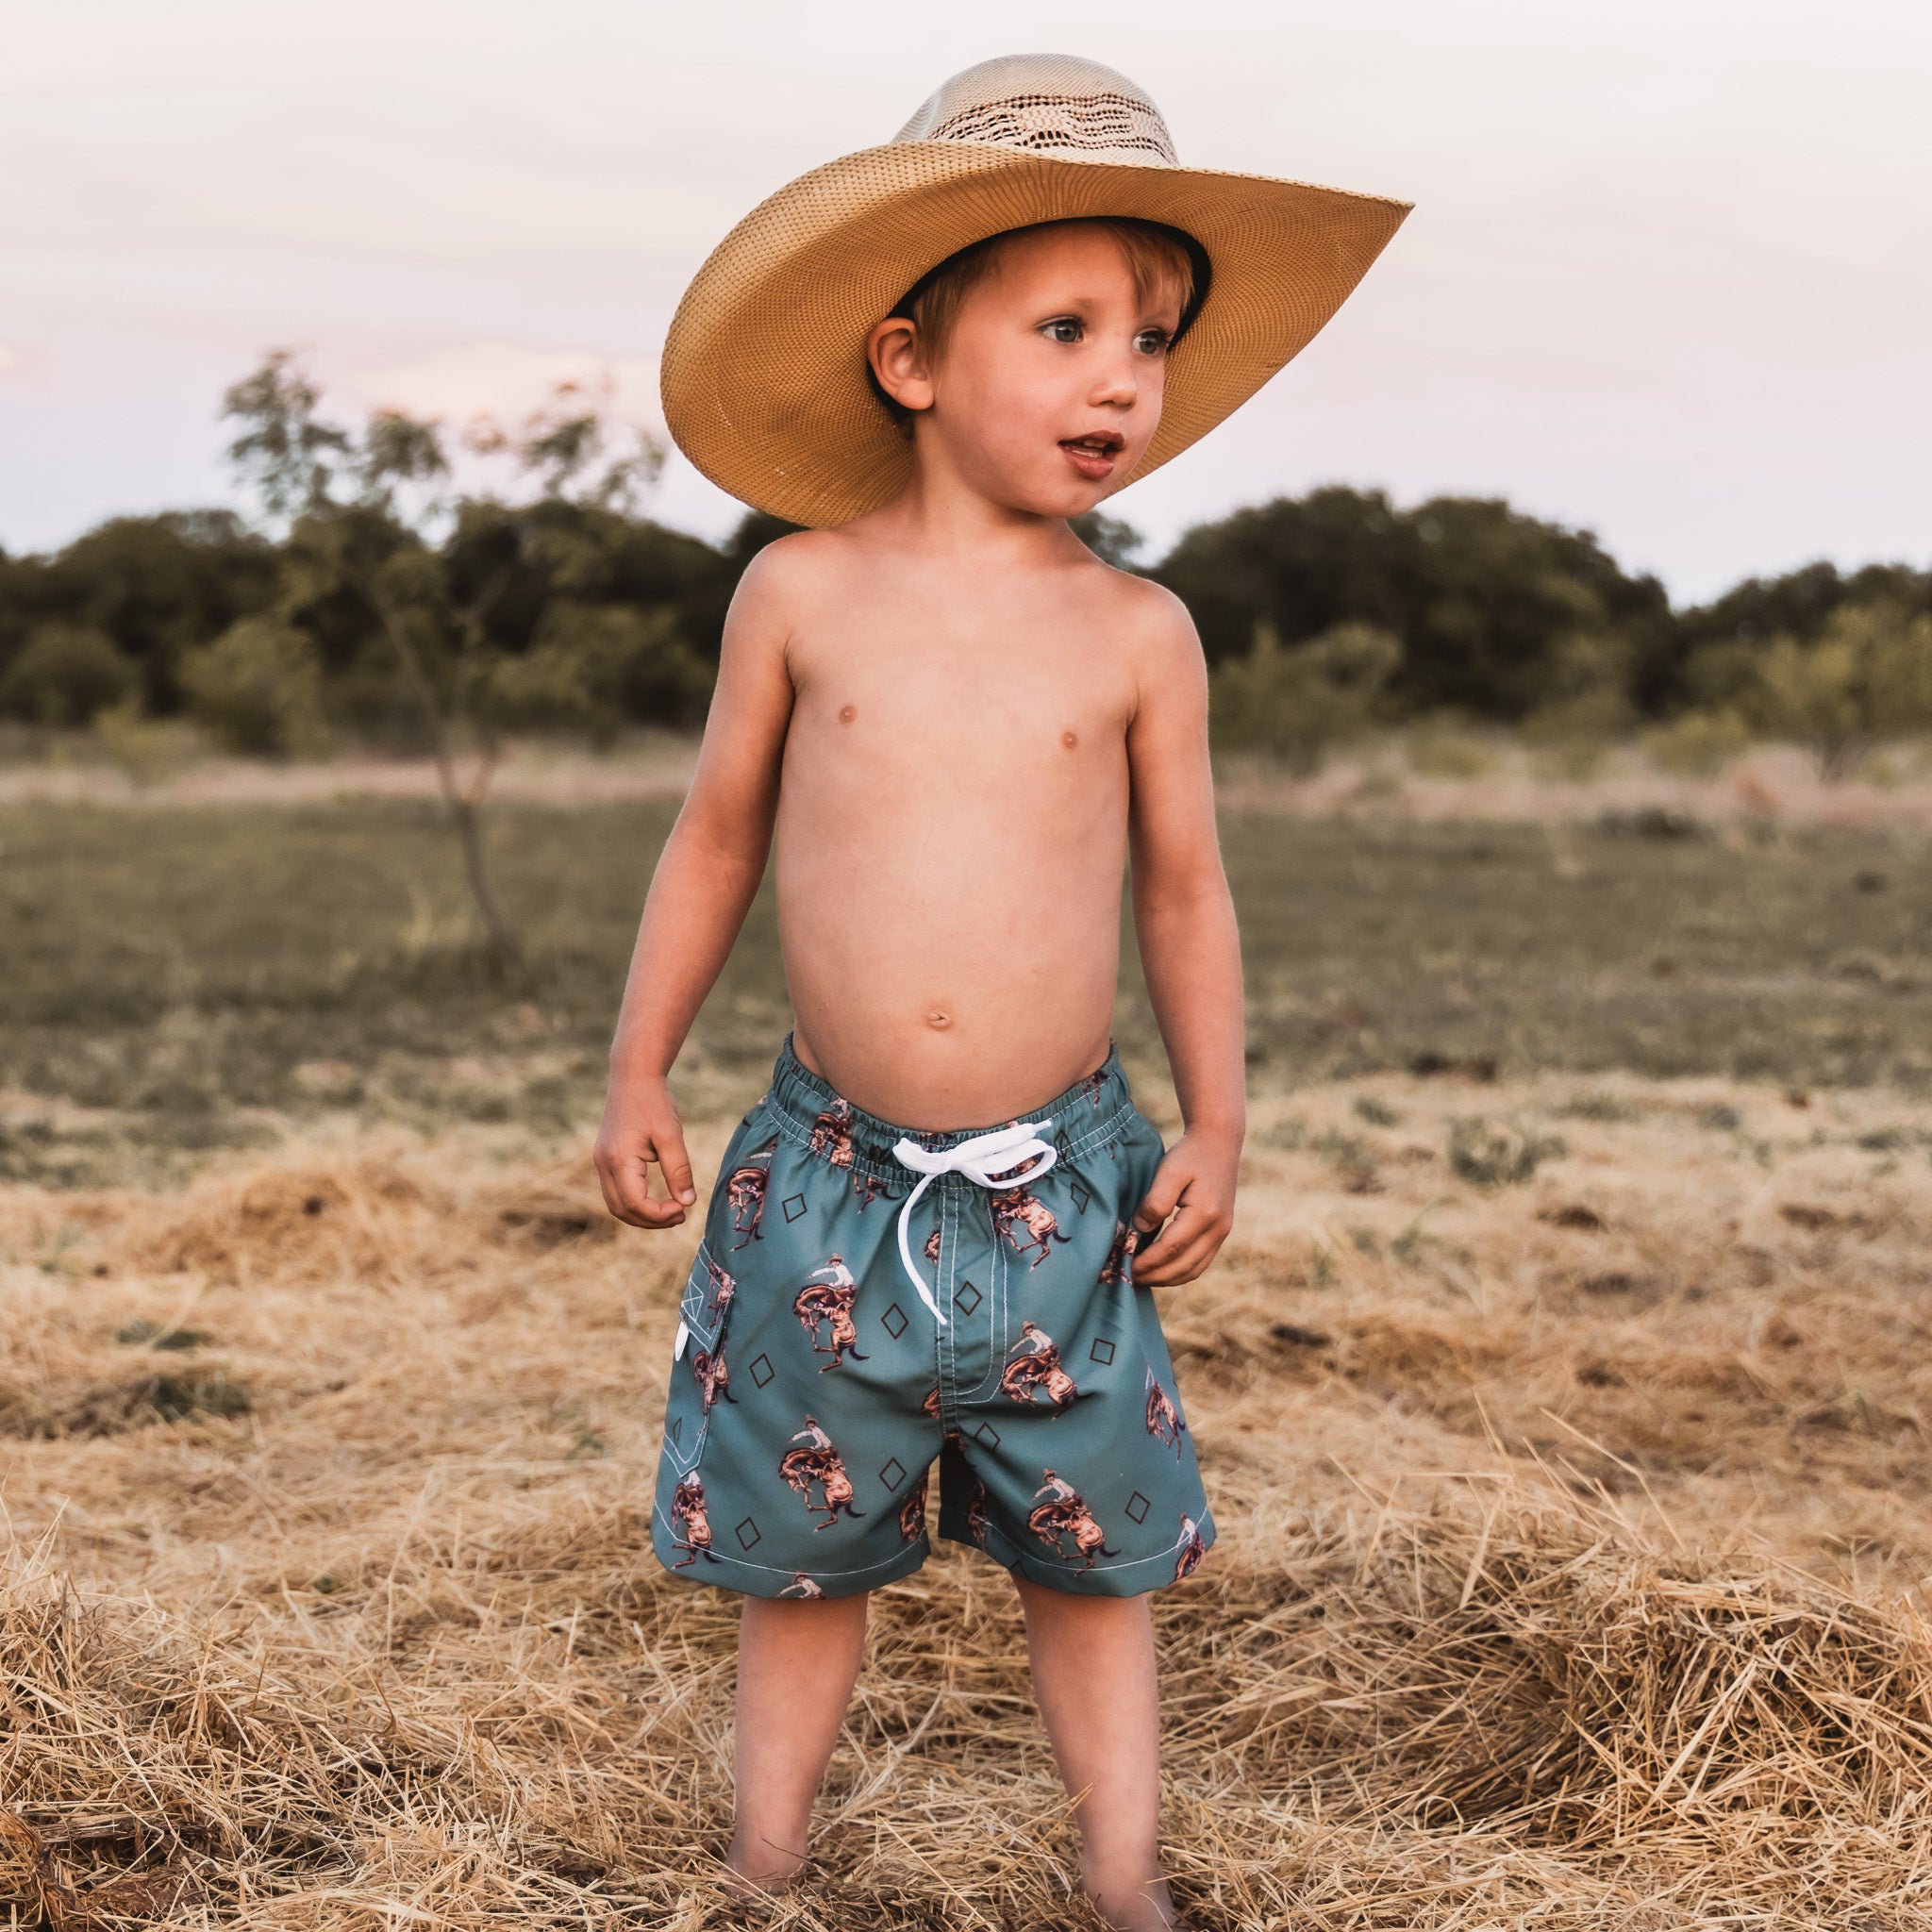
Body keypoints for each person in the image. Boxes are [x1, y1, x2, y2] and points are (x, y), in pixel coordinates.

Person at [595, 53, 1407, 1931]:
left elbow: (1188, 893)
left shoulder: (1138, 631)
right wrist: (638, 1066)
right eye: (1067, 326)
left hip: (1069, 1199)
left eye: (1153, 337)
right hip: (821, 1186)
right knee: (803, 1570)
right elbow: (711, 841)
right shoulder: (799, 594)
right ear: (908, 360)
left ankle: (1121, 1886)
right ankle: (764, 1876)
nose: (1125, 377)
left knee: (1096, 1564)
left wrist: (1217, 1117)